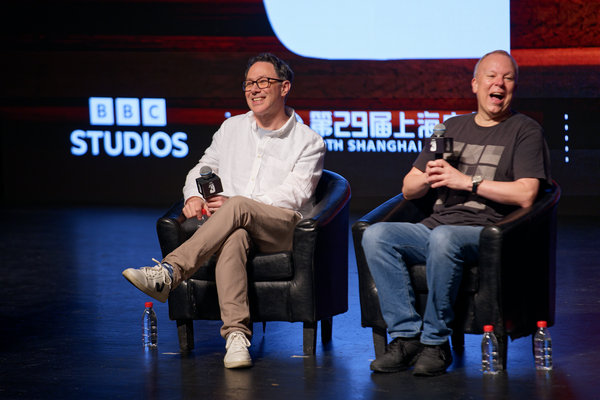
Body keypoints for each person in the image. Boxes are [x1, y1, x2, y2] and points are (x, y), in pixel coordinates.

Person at [122, 53, 326, 369]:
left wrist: (238, 203)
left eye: (263, 82)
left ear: (284, 87)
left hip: (282, 228)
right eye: (249, 83)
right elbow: (204, 167)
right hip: (234, 224)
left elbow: (295, 195)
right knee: (234, 237)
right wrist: (193, 196)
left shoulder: (308, 141)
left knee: (240, 207)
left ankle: (169, 272)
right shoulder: (232, 128)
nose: (254, 89)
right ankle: (236, 338)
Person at [361, 50, 551, 377]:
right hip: (437, 227)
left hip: (490, 232)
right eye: (492, 76)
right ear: (475, 84)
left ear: (514, 87)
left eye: (507, 78)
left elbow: (526, 194)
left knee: (444, 238)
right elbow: (409, 188)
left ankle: (436, 342)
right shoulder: (451, 127)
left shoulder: (525, 130)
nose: (499, 84)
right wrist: (429, 176)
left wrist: (468, 182)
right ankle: (407, 337)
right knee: (377, 235)